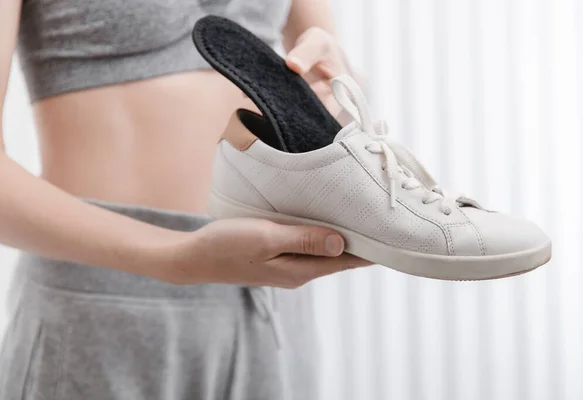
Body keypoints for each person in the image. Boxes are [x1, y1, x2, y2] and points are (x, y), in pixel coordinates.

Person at [0, 0, 368, 398]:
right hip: (104, 301)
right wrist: (178, 257)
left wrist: (339, 89)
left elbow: (331, 75)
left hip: (269, 294)